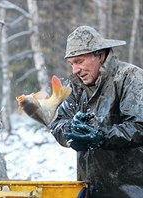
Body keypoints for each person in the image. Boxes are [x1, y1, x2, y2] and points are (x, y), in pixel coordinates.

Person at [49, 26, 143, 198]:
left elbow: (140, 127)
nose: (75, 70)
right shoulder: (76, 87)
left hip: (131, 190)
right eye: (72, 64)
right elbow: (57, 122)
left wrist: (101, 137)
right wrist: (71, 131)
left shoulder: (130, 77)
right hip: (90, 189)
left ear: (99, 55)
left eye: (79, 61)